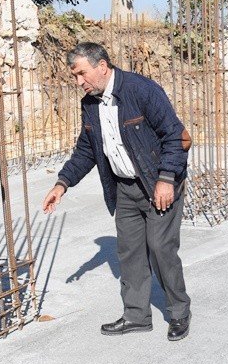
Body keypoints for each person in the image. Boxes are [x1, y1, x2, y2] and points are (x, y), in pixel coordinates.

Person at [42, 43, 191, 341]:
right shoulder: (90, 104)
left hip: (157, 182)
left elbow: (175, 135)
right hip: (124, 188)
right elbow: (86, 150)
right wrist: (62, 184)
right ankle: (137, 315)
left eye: (82, 74)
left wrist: (165, 178)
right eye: (74, 76)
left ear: (102, 66)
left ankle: (179, 312)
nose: (79, 82)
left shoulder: (141, 90)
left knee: (160, 248)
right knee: (130, 252)